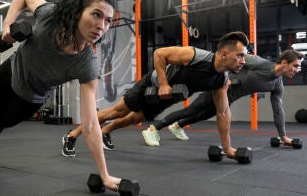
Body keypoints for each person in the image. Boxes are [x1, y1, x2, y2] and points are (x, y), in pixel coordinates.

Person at [0, 0, 122, 191]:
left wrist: (105, 175)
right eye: (96, 14)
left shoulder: (87, 65)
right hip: (11, 71)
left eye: (107, 20)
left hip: (32, 96)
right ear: (77, 13)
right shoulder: (49, 16)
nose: (101, 26)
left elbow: (90, 124)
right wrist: (7, 24)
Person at [62, 31, 249, 160]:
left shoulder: (221, 81)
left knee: (134, 119)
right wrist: (164, 83)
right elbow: (160, 54)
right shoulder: (195, 55)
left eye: (244, 56)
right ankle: (72, 135)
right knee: (116, 112)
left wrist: (227, 148)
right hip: (151, 86)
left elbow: (223, 113)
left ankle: (105, 132)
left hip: (167, 98)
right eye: (240, 55)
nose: (243, 61)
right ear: (224, 54)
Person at [143, 49, 303, 146]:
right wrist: (228, 79)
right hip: (219, 88)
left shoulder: (277, 84)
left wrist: (283, 136)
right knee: (192, 110)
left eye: (299, 67)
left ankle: (177, 126)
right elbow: (229, 60)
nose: (297, 70)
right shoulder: (260, 63)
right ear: (284, 62)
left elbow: (278, 110)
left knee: (205, 115)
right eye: (295, 65)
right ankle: (152, 129)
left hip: (230, 98)